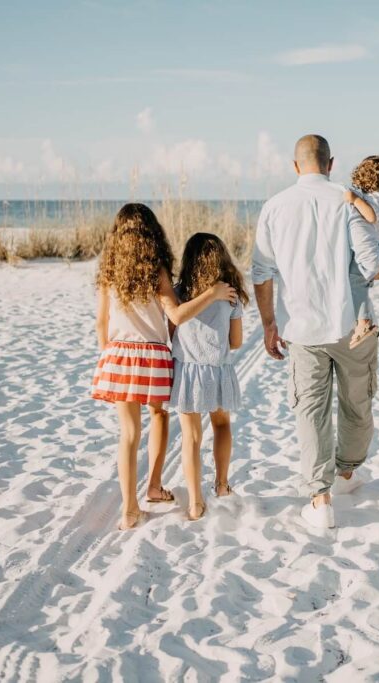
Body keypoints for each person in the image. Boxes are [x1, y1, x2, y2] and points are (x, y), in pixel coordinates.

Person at [252, 134, 379, 529]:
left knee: (310, 411)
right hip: (352, 326)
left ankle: (320, 498)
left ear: (296, 166)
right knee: (357, 402)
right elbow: (372, 265)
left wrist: (268, 323)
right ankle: (346, 474)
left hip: (301, 328)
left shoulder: (274, 207)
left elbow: (261, 272)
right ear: (331, 163)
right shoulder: (346, 199)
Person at [91, 203, 237, 531]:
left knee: (127, 434)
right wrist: (213, 292)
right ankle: (154, 486)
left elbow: (101, 323)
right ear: (151, 233)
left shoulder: (109, 271)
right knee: (159, 416)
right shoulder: (155, 270)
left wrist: (107, 359)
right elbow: (177, 315)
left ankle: (130, 509)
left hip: (117, 355)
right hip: (152, 356)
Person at [169, 233, 248, 521]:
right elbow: (237, 341)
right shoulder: (230, 295)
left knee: (190, 436)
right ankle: (222, 484)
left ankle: (195, 502)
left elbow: (171, 330)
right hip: (217, 368)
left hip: (188, 370)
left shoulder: (179, 294)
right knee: (222, 424)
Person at [341, 155, 379, 348]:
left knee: (355, 280)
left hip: (374, 251)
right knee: (363, 286)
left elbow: (371, 216)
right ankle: (368, 319)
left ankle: (364, 322)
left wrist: (353, 199)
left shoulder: (373, 202)